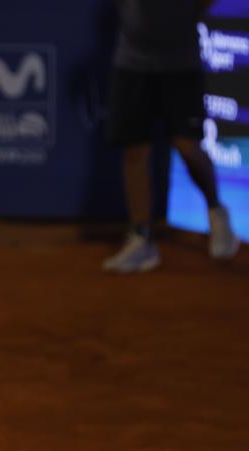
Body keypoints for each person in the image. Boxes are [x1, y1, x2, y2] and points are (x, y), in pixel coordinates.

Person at [103, 0, 240, 274]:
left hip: (181, 64)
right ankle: (141, 238)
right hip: (133, 62)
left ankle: (216, 211)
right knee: (135, 150)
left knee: (187, 146)